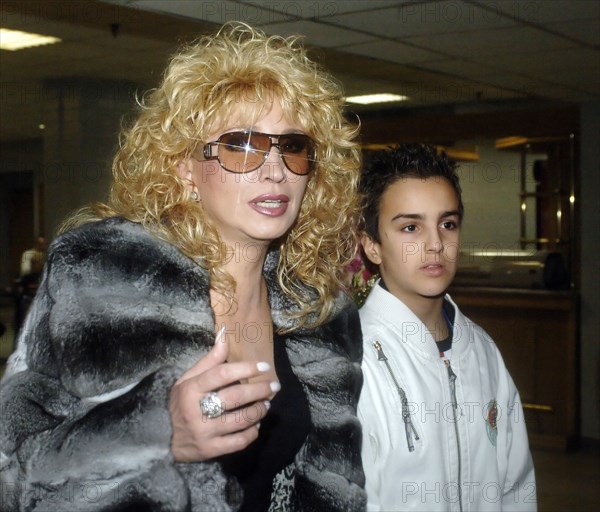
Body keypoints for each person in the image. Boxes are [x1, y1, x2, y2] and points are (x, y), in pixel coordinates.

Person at [0, 22, 366, 511]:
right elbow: (12, 475)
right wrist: (154, 434)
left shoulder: (320, 313)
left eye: (292, 147)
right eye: (241, 146)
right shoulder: (100, 280)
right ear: (184, 168)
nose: (275, 170)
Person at [357, 144, 536, 511]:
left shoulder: (482, 350)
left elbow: (516, 487)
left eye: (447, 224)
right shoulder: (355, 359)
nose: (435, 244)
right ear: (372, 246)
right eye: (411, 227)